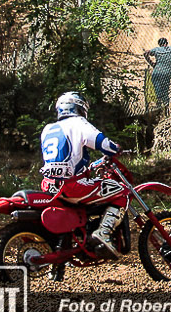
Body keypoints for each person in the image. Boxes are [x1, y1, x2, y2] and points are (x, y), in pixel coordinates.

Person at [39, 91, 124, 258]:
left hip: (49, 186)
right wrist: (116, 149)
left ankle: (74, 242)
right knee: (121, 191)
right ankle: (104, 233)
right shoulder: (78, 123)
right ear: (79, 108)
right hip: (72, 187)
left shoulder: (48, 129)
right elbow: (102, 143)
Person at [144, 36, 171, 108]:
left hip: (156, 73)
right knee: (165, 91)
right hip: (166, 73)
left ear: (159, 44)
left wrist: (152, 64)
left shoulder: (157, 49)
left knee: (157, 91)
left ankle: (158, 106)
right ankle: (165, 108)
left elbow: (146, 53)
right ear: (166, 43)